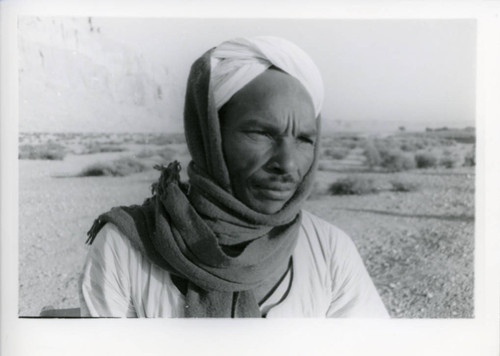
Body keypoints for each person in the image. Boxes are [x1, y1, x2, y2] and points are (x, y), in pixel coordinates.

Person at [79, 36, 389, 318]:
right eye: (261, 133)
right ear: (210, 135)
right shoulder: (126, 248)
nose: (288, 163)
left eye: (305, 139)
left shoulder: (329, 251)